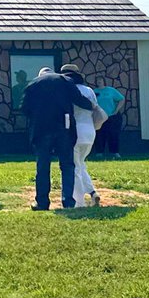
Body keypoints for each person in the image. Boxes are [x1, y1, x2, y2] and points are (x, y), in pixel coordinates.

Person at [21, 66, 93, 210]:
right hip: (63, 127)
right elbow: (79, 99)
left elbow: (24, 108)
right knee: (67, 165)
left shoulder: (32, 85)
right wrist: (92, 106)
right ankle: (68, 202)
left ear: (40, 75)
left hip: (42, 129)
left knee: (43, 166)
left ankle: (42, 202)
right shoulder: (65, 81)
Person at [61, 65, 101, 208]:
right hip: (90, 131)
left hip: (74, 132)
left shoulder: (66, 91)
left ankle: (78, 202)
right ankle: (92, 192)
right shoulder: (89, 91)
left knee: (74, 168)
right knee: (81, 164)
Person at [92, 82, 126, 159]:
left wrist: (116, 110)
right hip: (99, 116)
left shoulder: (111, 90)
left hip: (112, 116)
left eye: (100, 80)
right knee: (99, 134)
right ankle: (99, 152)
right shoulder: (94, 92)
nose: (99, 81)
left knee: (113, 134)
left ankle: (115, 152)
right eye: (97, 80)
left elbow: (121, 99)